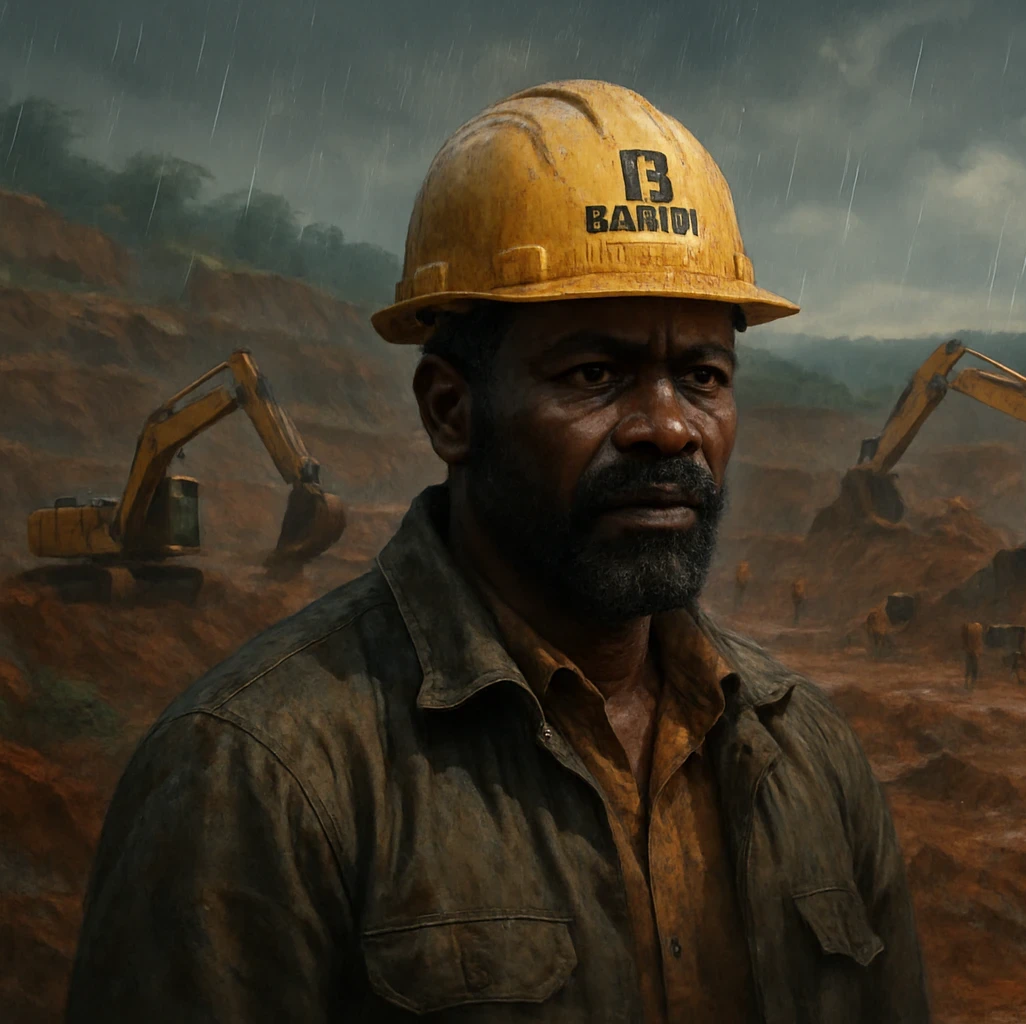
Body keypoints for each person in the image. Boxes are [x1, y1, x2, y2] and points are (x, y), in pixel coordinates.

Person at [67, 81, 928, 1024]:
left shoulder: (809, 754)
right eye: (595, 374)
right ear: (450, 409)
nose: (668, 428)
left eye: (703, 376)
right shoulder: (256, 777)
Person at [962, 621, 984, 689]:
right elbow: (979, 641)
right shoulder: (979, 627)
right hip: (975, 651)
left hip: (970, 650)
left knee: (969, 668)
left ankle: (968, 683)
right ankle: (971, 684)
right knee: (974, 668)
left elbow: (966, 640)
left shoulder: (968, 627)